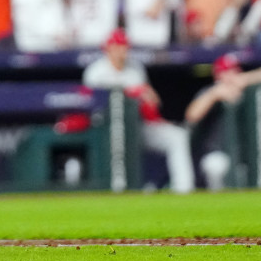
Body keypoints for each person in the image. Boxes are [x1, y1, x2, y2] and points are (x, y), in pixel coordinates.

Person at [82, 30, 194, 193]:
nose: (122, 50)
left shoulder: (135, 69)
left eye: (124, 46)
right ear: (108, 48)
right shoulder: (95, 72)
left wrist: (150, 102)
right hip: (106, 131)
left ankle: (184, 190)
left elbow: (152, 101)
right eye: (117, 46)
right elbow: (91, 107)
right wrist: (131, 92)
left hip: (137, 126)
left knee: (177, 136)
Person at [184, 53, 261, 190]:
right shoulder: (210, 92)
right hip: (220, 154)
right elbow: (191, 116)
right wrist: (213, 95)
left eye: (233, 71)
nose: (229, 75)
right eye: (225, 72)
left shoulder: (248, 88)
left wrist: (246, 79)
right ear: (217, 76)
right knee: (215, 166)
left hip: (248, 153)